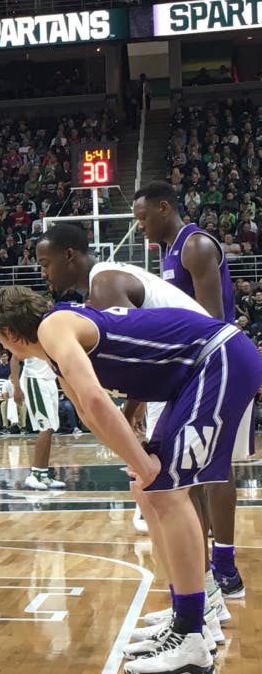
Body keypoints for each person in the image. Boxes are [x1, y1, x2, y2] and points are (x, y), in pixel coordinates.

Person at [0, 285, 262, 674]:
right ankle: (188, 615)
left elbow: (96, 399)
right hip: (196, 370)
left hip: (219, 356)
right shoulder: (57, 353)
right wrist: (138, 460)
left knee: (165, 492)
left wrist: (145, 465)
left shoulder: (54, 326)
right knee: (149, 491)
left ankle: (193, 636)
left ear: (8, 333)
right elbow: (91, 416)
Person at [36, 223, 232, 637]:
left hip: (200, 365)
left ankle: (200, 609)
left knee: (167, 491)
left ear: (70, 255)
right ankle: (195, 603)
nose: (44, 273)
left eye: (45, 262)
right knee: (170, 491)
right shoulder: (103, 282)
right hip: (194, 366)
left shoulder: (104, 286)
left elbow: (145, 351)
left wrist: (129, 414)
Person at [135, 182, 250, 599]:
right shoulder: (167, 253)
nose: (140, 225)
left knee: (216, 468)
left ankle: (226, 568)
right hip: (192, 368)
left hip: (219, 364)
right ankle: (203, 574)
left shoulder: (195, 245)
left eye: (144, 216)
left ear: (165, 208)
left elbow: (212, 321)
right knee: (192, 473)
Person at [10, 354, 65, 490]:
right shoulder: (30, 333)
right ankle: (34, 475)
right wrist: (16, 387)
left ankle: (43, 475)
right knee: (45, 428)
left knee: (51, 428)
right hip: (35, 379)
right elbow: (15, 358)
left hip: (50, 380)